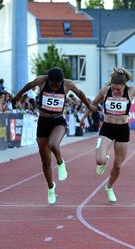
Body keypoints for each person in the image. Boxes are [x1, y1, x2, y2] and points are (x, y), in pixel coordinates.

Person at [12, 67, 95, 205]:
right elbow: (29, 85)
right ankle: (51, 188)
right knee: (45, 162)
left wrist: (88, 106)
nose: (55, 88)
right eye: (53, 85)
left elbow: (80, 93)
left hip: (58, 120)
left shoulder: (68, 84)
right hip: (43, 122)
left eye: (57, 85)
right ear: (48, 80)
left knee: (53, 144)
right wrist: (19, 95)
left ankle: (61, 163)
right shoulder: (41, 81)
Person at [80, 67, 135, 202]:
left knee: (118, 166)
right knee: (99, 160)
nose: (116, 92)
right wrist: (83, 118)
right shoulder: (105, 91)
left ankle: (109, 187)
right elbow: (93, 104)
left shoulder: (132, 90)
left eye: (119, 90)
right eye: (114, 89)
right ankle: (104, 160)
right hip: (107, 128)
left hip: (122, 129)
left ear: (124, 85)